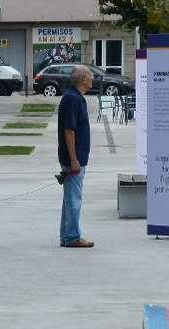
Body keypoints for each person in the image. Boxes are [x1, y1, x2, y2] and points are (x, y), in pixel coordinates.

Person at [58, 65, 94, 248]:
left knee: (70, 198)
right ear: (82, 79)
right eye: (90, 76)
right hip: (74, 159)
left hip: (75, 157)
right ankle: (72, 237)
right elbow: (69, 130)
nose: (92, 80)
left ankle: (67, 235)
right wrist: (74, 159)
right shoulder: (73, 99)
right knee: (74, 198)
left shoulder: (74, 97)